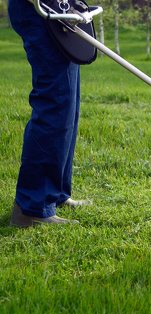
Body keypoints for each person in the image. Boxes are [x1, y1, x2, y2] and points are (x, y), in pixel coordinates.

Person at [8, 0, 91, 227]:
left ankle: (56, 194)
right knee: (55, 103)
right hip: (38, 9)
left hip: (59, 9)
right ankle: (32, 207)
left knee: (68, 106)